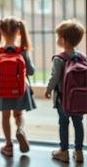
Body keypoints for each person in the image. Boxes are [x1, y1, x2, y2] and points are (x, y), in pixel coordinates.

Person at [0, 17, 36, 156]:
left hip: (2, 90)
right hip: (20, 90)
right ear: (19, 32)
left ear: (1, 32)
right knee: (18, 114)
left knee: (5, 116)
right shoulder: (22, 51)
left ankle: (8, 146)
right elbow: (31, 71)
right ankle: (20, 129)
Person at [45, 20, 85, 163]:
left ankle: (63, 152)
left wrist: (48, 90)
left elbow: (54, 78)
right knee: (78, 123)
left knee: (63, 123)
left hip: (63, 100)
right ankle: (79, 152)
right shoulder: (82, 57)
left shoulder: (59, 59)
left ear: (62, 40)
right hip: (79, 100)